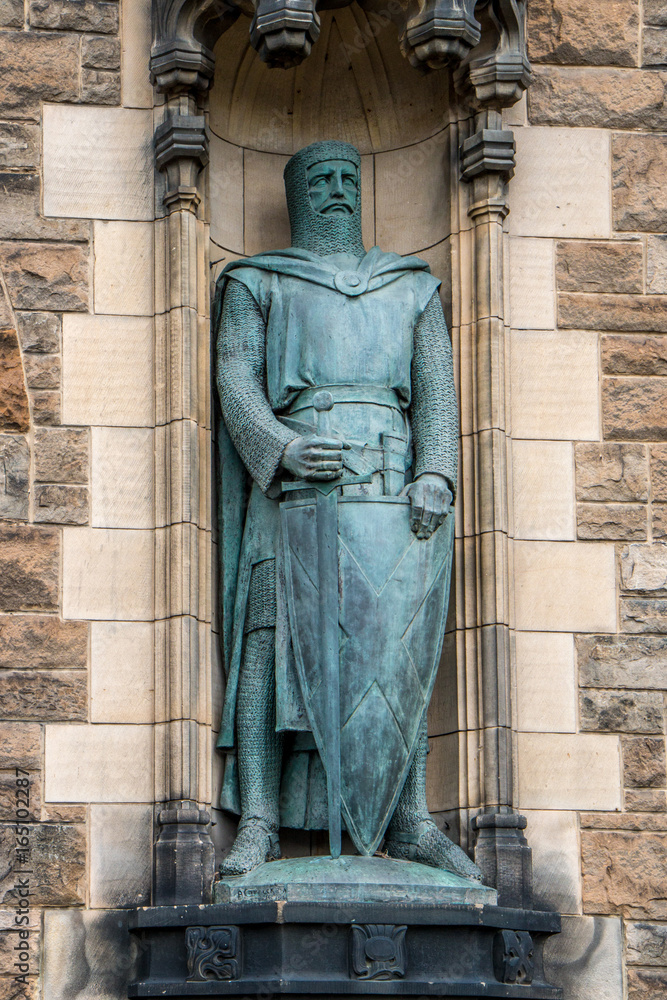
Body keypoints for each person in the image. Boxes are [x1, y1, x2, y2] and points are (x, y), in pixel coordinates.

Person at [214, 139, 481, 882]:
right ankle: (260, 822)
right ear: (300, 195)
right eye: (320, 180)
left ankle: (412, 820)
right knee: (269, 645)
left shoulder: (411, 287)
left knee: (399, 653)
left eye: (345, 178)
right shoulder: (258, 282)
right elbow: (234, 376)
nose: (336, 190)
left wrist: (436, 473)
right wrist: (280, 447)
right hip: (298, 491)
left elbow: (436, 396)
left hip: (393, 496)